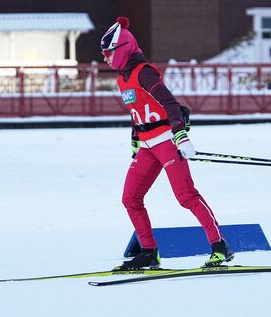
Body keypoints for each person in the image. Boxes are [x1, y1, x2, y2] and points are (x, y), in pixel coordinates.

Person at [100, 16, 234, 270]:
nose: (105, 58)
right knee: (130, 198)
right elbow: (136, 110)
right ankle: (149, 252)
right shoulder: (122, 79)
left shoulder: (144, 73)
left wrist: (181, 135)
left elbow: (171, 104)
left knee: (186, 196)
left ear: (122, 50)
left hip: (166, 141)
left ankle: (220, 246)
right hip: (147, 145)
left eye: (108, 53)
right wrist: (134, 139)